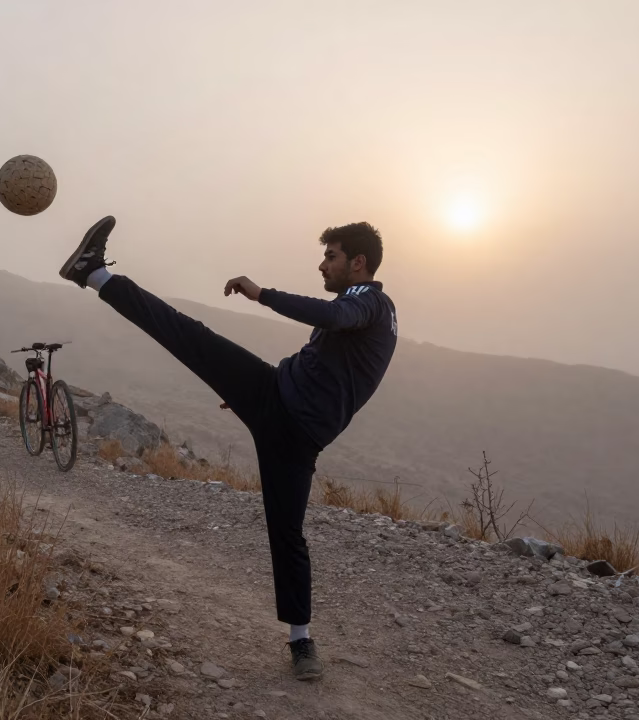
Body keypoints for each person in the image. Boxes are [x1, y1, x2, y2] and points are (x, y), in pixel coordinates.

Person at [59, 216, 397, 680]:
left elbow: (333, 315)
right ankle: (93, 272)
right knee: (187, 334)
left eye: (331, 256)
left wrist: (262, 294)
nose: (322, 265)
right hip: (272, 393)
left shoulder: (369, 302)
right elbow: (318, 363)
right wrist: (243, 392)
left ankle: (301, 641)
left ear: (358, 263)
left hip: (295, 435)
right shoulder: (361, 308)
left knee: (287, 533)